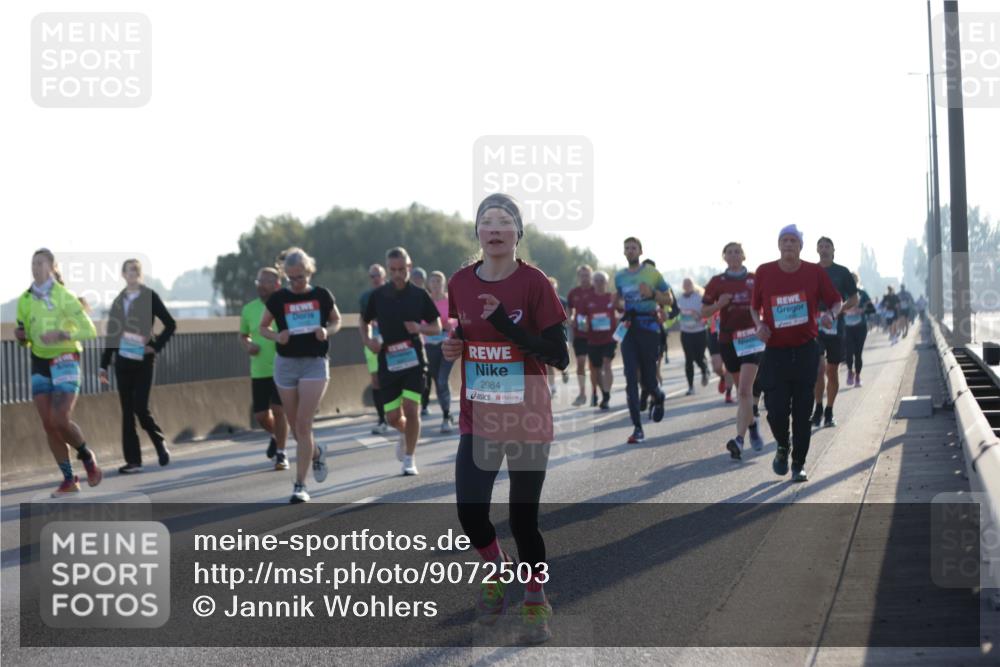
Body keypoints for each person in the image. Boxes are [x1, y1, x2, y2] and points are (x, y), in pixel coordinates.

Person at [442, 193, 568, 644]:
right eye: (486, 222)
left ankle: (536, 599)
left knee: (522, 520)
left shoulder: (534, 283)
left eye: (504, 222)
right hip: (480, 417)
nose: (494, 229)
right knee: (470, 511)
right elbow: (460, 332)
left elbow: (560, 356)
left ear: (518, 233)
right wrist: (452, 347)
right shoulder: (459, 283)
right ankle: (496, 568)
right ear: (477, 233)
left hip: (528, 417)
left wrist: (509, 328)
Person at [751, 225, 842, 482]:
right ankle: (782, 445)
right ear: (778, 245)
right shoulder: (764, 271)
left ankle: (798, 464)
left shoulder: (814, 272)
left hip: (805, 351)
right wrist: (759, 326)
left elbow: (837, 300)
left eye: (793, 240)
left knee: (803, 412)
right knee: (776, 409)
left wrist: (831, 314)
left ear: (801, 246)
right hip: (776, 352)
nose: (788, 244)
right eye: (784, 240)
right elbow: (753, 308)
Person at [16, 248, 102, 497]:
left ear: (53, 266)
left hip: (65, 359)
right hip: (39, 362)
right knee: (48, 425)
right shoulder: (24, 300)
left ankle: (86, 456)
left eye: (40, 262)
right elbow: (26, 337)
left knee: (60, 419)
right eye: (32, 263)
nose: (35, 267)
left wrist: (62, 334)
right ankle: (69, 479)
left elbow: (90, 331)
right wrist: (21, 338)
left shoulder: (65, 296)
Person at [260, 248, 341, 503]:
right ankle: (316, 453)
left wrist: (327, 331)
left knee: (304, 425)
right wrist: (277, 335)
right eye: (291, 278)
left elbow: (336, 320)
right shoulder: (278, 299)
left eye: (301, 277)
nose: (296, 283)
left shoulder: (321, 295)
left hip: (314, 363)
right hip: (286, 364)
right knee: (296, 429)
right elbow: (263, 327)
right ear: (285, 276)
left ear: (309, 272)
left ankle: (299, 485)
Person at [361, 248, 441, 476]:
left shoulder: (419, 295)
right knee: (393, 417)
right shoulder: (378, 296)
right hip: (388, 360)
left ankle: (409, 458)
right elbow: (363, 321)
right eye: (393, 270)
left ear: (409, 266)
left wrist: (420, 328)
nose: (398, 274)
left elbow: (437, 326)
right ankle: (406, 434)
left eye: (402, 269)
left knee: (411, 408)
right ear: (388, 269)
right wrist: (368, 340)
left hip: (415, 359)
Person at [98, 258, 176, 474]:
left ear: (140, 275)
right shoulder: (118, 301)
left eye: (136, 272)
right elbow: (112, 335)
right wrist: (103, 366)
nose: (132, 275)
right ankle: (133, 461)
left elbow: (170, 324)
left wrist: (156, 346)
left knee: (140, 407)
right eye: (128, 272)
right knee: (127, 412)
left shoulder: (150, 296)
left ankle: (159, 442)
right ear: (123, 275)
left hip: (144, 361)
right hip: (122, 362)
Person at [703, 242, 766, 459]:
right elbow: (703, 311)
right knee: (742, 393)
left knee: (744, 391)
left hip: (751, 338)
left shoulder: (755, 279)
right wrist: (719, 305)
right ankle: (752, 427)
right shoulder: (716, 282)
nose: (734, 255)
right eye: (729, 252)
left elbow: (766, 304)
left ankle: (739, 440)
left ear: (744, 255)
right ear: (724, 257)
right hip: (728, 339)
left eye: (737, 251)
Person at [615, 237, 671, 444]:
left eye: (633, 248)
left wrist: (653, 294)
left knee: (648, 380)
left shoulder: (652, 273)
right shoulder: (619, 276)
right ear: (623, 252)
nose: (630, 251)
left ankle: (658, 396)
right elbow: (620, 301)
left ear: (640, 251)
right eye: (627, 248)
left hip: (649, 328)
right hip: (629, 328)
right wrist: (617, 304)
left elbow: (669, 299)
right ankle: (637, 428)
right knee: (630, 377)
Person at [239, 267, 289, 470]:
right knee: (261, 415)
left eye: (266, 281)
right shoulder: (249, 309)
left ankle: (281, 454)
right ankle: (277, 435)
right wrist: (248, 345)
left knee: (279, 410)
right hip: (259, 369)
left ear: (277, 284)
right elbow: (243, 334)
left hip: (282, 366)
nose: (261, 285)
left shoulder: (285, 305)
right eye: (259, 281)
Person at [811, 237, 858, 429]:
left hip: (836, 326)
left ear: (833, 250)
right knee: (818, 369)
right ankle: (818, 408)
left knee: (832, 371)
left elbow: (854, 298)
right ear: (817, 250)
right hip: (815, 326)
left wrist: (841, 310)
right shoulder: (810, 271)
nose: (823, 249)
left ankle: (829, 410)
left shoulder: (842, 272)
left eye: (827, 246)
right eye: (820, 246)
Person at [423, 270, 457, 433]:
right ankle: (447, 413)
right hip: (430, 345)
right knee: (438, 381)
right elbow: (419, 322)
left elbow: (458, 320)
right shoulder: (424, 301)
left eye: (438, 281)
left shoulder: (450, 301)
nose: (436, 285)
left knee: (442, 380)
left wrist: (449, 323)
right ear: (428, 284)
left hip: (448, 344)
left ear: (444, 284)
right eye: (433, 281)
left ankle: (445, 417)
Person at [581, 270, 618, 409]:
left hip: (610, 338)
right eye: (596, 280)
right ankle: (602, 393)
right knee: (595, 369)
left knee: (607, 363)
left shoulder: (611, 297)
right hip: (593, 339)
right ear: (593, 282)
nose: (599, 283)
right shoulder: (588, 299)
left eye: (602, 280)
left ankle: (607, 394)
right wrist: (581, 324)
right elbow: (580, 317)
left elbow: (622, 310)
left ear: (607, 283)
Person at [360, 264, 388, 434]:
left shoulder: (393, 292)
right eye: (372, 276)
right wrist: (367, 340)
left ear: (384, 276)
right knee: (376, 381)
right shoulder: (365, 297)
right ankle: (381, 419)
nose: (375, 278)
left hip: (392, 342)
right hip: (373, 342)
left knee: (393, 379)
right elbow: (363, 321)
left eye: (377, 275)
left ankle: (397, 415)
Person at [567, 265, 597, 406]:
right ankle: (582, 393)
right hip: (579, 333)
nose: (584, 278)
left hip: (595, 334)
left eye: (587, 275)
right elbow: (569, 309)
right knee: (580, 363)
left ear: (591, 276)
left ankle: (595, 393)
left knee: (594, 366)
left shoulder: (596, 290)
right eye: (582, 275)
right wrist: (570, 319)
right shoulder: (573, 293)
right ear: (578, 277)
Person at [675, 278, 710, 395]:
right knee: (688, 359)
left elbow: (707, 312)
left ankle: (705, 370)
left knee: (698, 357)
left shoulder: (699, 297)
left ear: (693, 285)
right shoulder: (680, 298)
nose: (686, 286)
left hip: (699, 331)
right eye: (685, 284)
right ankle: (690, 387)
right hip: (685, 333)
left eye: (689, 284)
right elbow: (676, 312)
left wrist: (699, 316)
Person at [844, 273, 873, 388]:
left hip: (860, 327)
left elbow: (871, 308)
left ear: (857, 281)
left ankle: (857, 377)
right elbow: (836, 307)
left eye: (854, 280)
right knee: (849, 352)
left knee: (858, 353)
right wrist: (846, 310)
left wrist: (861, 309)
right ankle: (850, 371)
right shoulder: (843, 294)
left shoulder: (862, 293)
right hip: (847, 327)